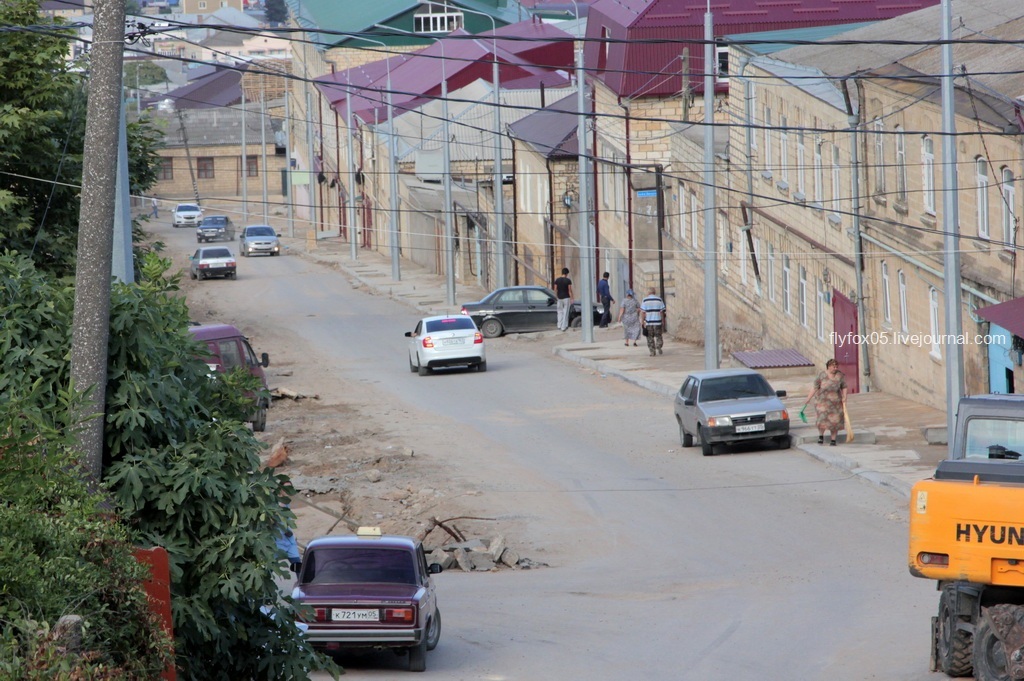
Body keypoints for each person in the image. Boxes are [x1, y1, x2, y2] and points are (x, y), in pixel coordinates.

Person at [805, 358, 848, 446]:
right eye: (833, 367)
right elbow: (815, 387)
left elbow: (844, 386)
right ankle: (821, 436)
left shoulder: (840, 375)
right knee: (822, 420)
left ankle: (833, 440)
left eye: (836, 366)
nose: (835, 368)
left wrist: (844, 397)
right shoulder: (821, 375)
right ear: (828, 367)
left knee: (835, 421)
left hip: (836, 404)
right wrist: (808, 398)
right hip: (822, 403)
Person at [640, 287, 667, 356]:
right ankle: (659, 345)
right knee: (658, 335)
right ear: (654, 292)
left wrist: (642, 321)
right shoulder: (659, 299)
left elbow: (643, 312)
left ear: (648, 293)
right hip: (657, 322)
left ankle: (652, 351)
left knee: (649, 337)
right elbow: (662, 312)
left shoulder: (645, 300)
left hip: (649, 322)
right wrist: (663, 321)